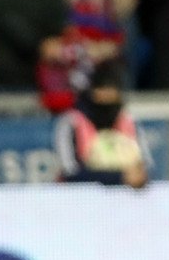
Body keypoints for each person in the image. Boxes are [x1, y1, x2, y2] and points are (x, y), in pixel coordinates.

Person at [54, 60, 151, 189]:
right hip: (82, 198)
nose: (107, 94)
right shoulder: (72, 121)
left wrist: (135, 175)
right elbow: (70, 171)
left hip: (127, 198)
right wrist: (119, 177)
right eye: (102, 88)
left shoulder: (128, 119)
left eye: (112, 88)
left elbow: (145, 166)